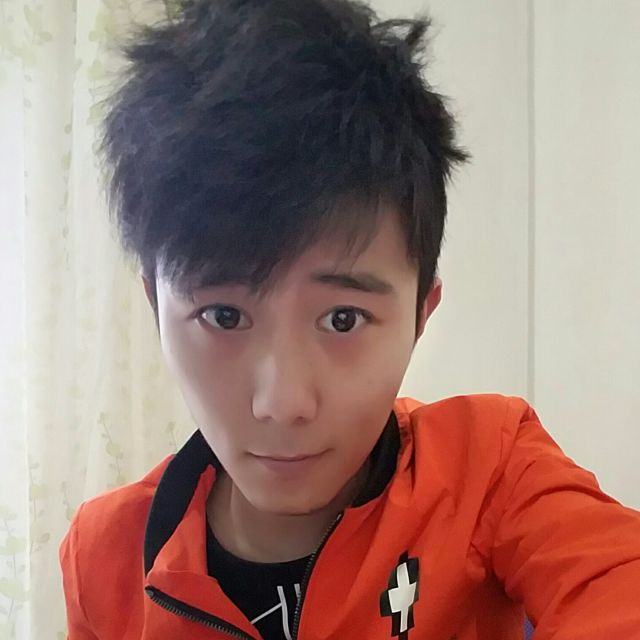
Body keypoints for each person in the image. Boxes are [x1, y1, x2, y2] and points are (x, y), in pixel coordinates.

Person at [59, 0, 640, 638]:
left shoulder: (491, 471)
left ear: (420, 315)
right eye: (223, 315)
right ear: (156, 308)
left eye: (342, 319)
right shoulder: (103, 558)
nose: (282, 403)